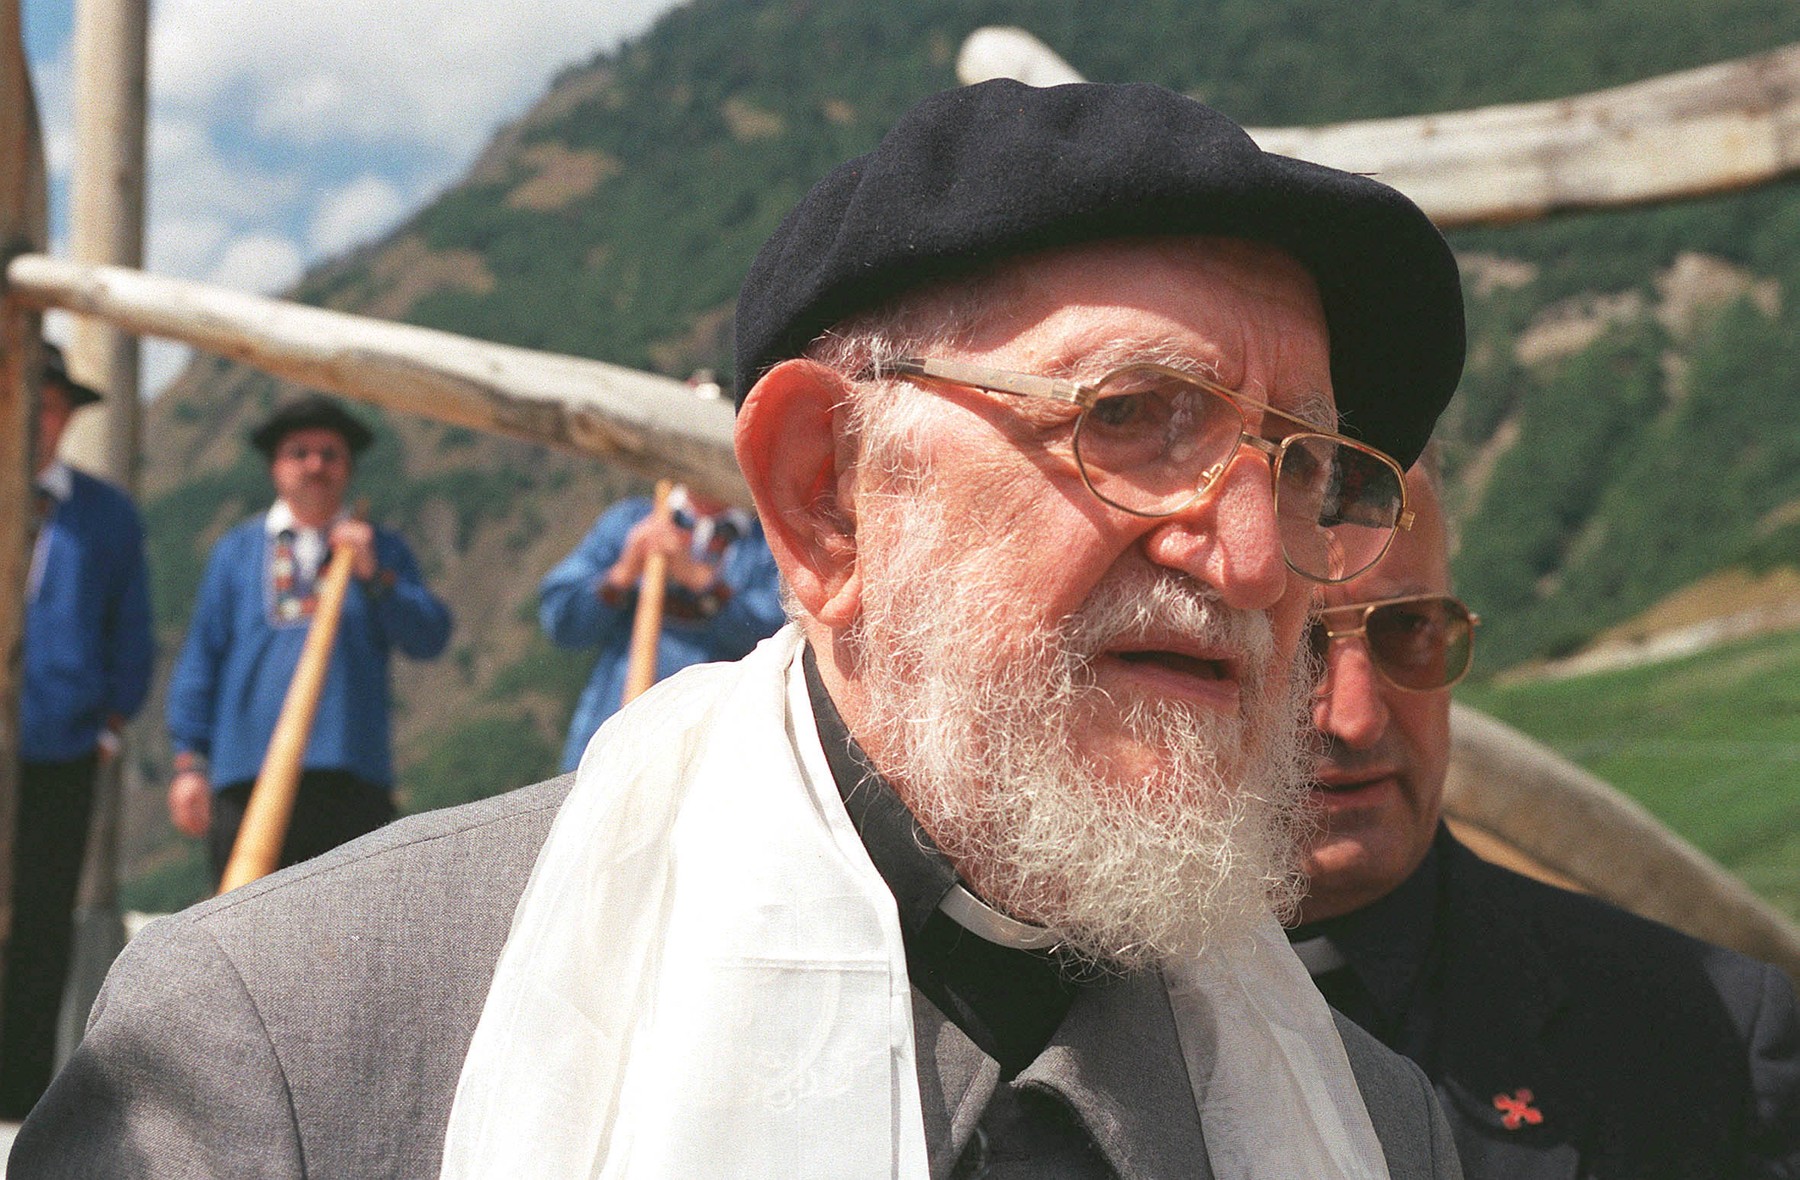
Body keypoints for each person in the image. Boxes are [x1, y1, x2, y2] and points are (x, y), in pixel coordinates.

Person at [14, 81, 1471, 1177]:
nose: (1259, 554)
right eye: (1137, 420)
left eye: (1306, 465)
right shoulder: (276, 1058)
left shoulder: (1374, 1121)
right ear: (826, 498)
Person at [1294, 457, 1800, 1178]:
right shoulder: (1082, 1022)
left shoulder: (1702, 1036)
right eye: (1290, 643)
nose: (1357, 716)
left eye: (1408, 629)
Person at [162, 394, 451, 882]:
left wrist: (376, 575)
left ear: (348, 468)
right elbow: (201, 659)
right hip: (246, 774)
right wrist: (190, 763)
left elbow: (430, 637)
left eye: (330, 454)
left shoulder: (381, 548)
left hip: (350, 773)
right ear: (276, 467)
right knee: (244, 934)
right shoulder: (235, 552)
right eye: (299, 452)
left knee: (352, 937)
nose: (315, 465)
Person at [1, 344, 154, 1119]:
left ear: (65, 415)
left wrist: (109, 720)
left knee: (42, 918)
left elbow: (132, 629)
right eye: (20, 394)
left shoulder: (105, 515)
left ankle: (18, 1094)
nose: (34, 415)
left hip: (60, 748)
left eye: (49, 402)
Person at [538, 484, 783, 771]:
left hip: (711, 756)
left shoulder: (766, 544)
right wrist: (623, 573)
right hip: (608, 741)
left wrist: (702, 583)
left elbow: (777, 634)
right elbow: (561, 623)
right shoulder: (631, 521)